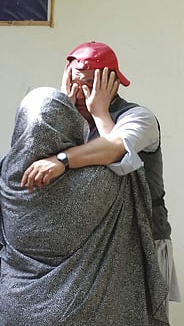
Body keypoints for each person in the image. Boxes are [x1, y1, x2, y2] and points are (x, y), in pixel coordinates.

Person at [0, 87, 168, 325]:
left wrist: (62, 149)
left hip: (17, 305)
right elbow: (120, 161)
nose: (81, 94)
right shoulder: (99, 179)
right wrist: (100, 114)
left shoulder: (6, 174)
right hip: (86, 304)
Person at [21, 41, 180, 314]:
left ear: (113, 83)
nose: (81, 93)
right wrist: (62, 108)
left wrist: (99, 114)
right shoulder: (66, 119)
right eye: (75, 82)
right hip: (84, 249)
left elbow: (115, 151)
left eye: (90, 84)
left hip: (141, 241)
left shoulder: (139, 118)